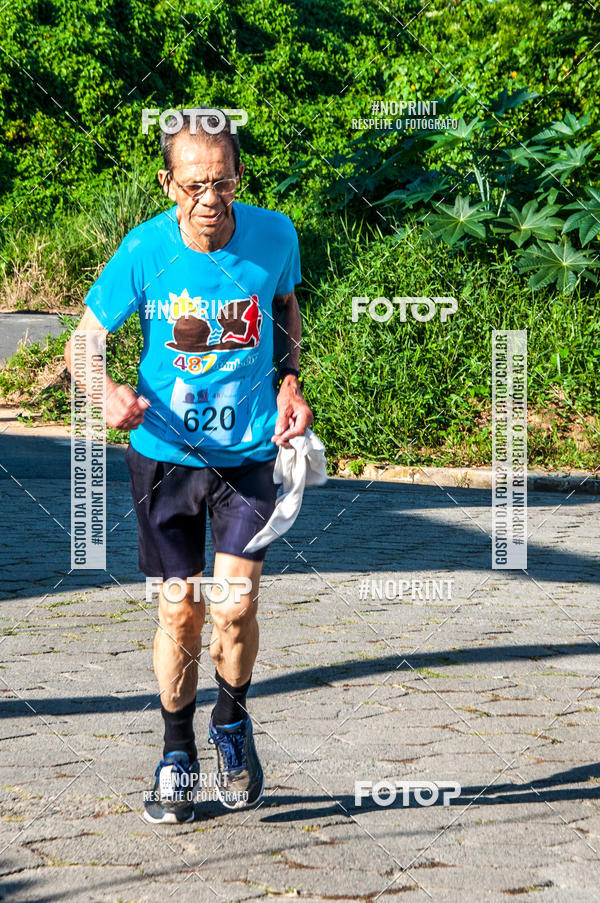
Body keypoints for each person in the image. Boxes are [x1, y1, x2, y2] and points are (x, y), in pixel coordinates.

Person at [64, 108, 313, 823]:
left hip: (248, 455)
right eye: (195, 185)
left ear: (239, 177)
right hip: (166, 457)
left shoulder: (274, 235)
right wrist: (104, 391)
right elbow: (83, 342)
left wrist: (290, 382)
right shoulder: (143, 251)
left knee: (234, 607)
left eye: (224, 182)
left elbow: (287, 305)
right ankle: (176, 753)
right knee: (181, 610)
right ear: (169, 182)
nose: (211, 200)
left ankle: (231, 728)